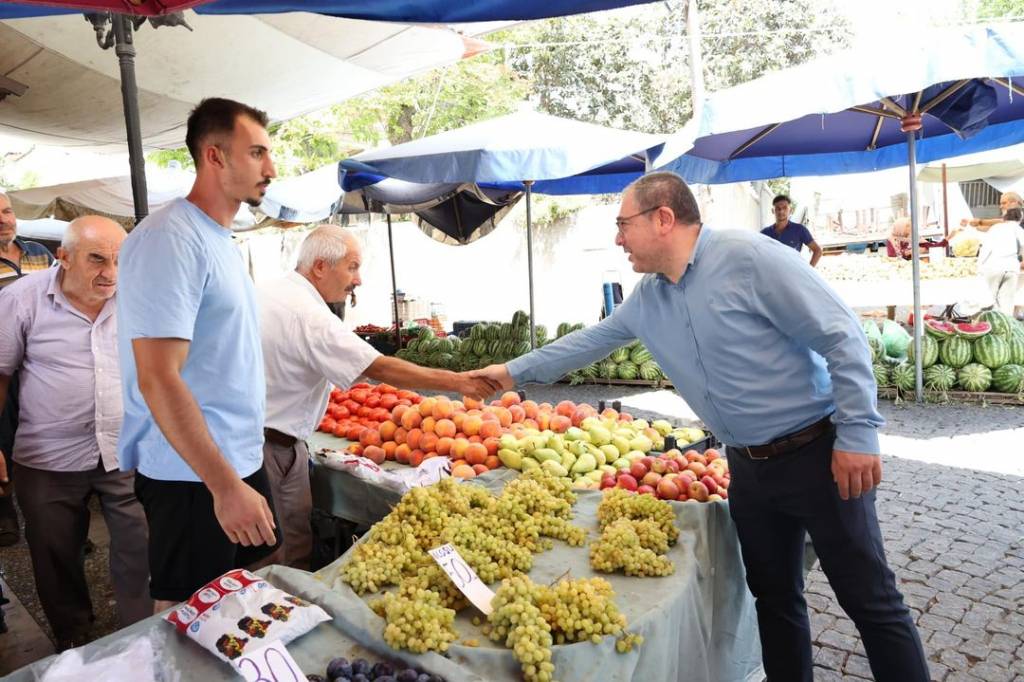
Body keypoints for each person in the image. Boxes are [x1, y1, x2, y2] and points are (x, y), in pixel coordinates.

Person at [471, 171, 929, 682]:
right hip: (747, 470)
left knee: (871, 601)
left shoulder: (750, 258)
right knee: (774, 600)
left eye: (623, 224)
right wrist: (511, 372)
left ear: (663, 218)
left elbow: (842, 335)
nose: (618, 238)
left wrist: (859, 433)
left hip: (819, 455)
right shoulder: (648, 298)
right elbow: (591, 342)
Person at [117, 98, 280, 613]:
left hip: (233, 460)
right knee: (187, 619)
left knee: (236, 610)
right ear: (214, 157)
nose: (270, 169)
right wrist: (225, 486)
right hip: (193, 477)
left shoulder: (219, 239)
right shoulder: (170, 238)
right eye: (256, 153)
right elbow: (158, 378)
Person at [258, 225, 499, 568]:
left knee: (290, 537)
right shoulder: (307, 313)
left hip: (277, 441)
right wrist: (458, 382)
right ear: (320, 267)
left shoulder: (272, 291)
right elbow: (378, 367)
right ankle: (278, 611)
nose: (358, 280)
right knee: (277, 550)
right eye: (352, 267)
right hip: (268, 446)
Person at [0, 215, 151, 650]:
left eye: (120, 261)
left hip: (125, 449)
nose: (111, 273)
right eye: (97, 259)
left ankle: (141, 631)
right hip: (47, 456)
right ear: (63, 258)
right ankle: (74, 634)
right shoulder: (22, 299)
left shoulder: (136, 297)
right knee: (54, 552)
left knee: (140, 542)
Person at [0, 191, 55, 546]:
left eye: (6, 211)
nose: (4, 219)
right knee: (3, 436)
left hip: (40, 357)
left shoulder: (38, 251)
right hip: (2, 360)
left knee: (44, 432)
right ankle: (4, 513)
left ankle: (60, 520)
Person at [974, 207, 1024, 314]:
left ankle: (987, 324)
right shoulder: (1020, 230)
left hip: (993, 266)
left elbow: (986, 248)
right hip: (1012, 268)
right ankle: (1006, 327)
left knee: (988, 300)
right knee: (1007, 302)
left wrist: (979, 266)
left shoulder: (996, 228)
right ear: (1020, 219)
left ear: (1005, 217)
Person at [760, 193, 823, 267]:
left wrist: (808, 271)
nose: (781, 211)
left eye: (785, 208)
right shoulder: (765, 233)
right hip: (772, 274)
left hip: (793, 274)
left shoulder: (799, 230)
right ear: (773, 211)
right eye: (778, 208)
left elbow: (817, 250)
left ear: (790, 210)